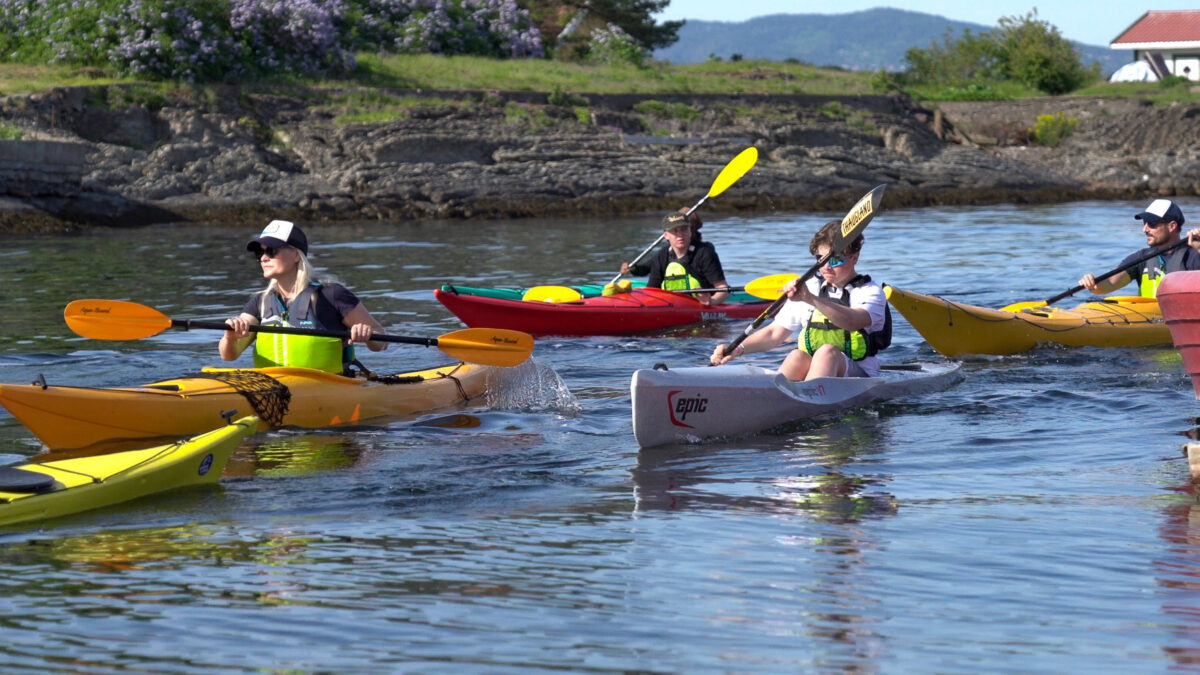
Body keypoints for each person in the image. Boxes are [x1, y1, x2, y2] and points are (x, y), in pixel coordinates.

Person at [709, 219, 890, 381]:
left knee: (827, 352)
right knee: (796, 355)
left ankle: (806, 402)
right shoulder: (810, 286)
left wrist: (810, 299)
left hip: (862, 376)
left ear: (855, 258)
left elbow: (853, 321)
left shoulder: (869, 291)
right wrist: (737, 349)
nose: (826, 267)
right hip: (819, 375)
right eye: (820, 259)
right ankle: (776, 401)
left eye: (835, 260)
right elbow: (774, 333)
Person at [220, 220, 388, 375]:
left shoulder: (332, 295)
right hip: (271, 391)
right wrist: (230, 336)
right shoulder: (259, 302)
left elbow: (381, 341)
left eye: (272, 251)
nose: (263, 258)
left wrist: (367, 335)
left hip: (329, 388)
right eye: (260, 252)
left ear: (296, 255)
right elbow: (228, 356)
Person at [1079, 199, 1200, 297]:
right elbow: (1110, 283)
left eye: (1152, 224)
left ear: (1172, 226)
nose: (1145, 229)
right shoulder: (1141, 257)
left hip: (1180, 320)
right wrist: (1092, 284)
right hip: (1146, 319)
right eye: (1144, 223)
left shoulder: (1193, 256)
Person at [620, 210, 730, 305]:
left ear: (690, 231)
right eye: (675, 231)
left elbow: (724, 289)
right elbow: (652, 290)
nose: (680, 235)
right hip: (671, 307)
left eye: (684, 229)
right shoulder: (662, 255)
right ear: (666, 235)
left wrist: (712, 301)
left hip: (701, 307)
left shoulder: (704, 253)